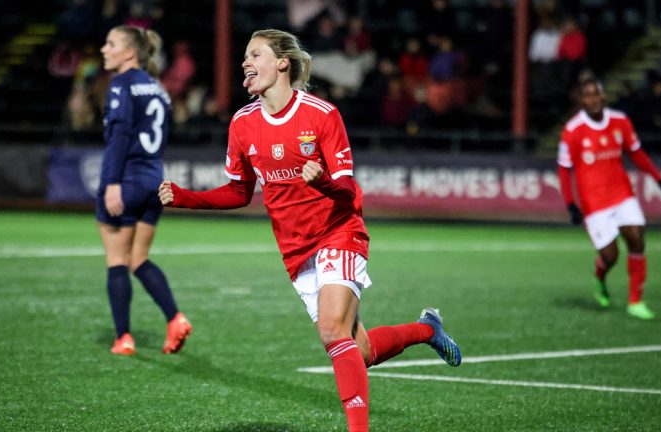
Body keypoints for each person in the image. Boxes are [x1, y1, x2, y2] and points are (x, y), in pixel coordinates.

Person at [158, 29, 460, 431]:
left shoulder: (321, 114)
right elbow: (238, 192)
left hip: (340, 230)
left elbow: (348, 189)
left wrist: (322, 183)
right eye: (244, 57)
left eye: (255, 55)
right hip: (296, 251)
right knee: (360, 351)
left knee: (332, 329)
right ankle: (427, 329)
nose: (245, 63)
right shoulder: (243, 123)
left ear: (282, 62)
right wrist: (184, 197)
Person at [98, 25, 191, 355]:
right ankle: (175, 317)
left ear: (129, 52)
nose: (103, 49)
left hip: (127, 180)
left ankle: (123, 338)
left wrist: (111, 184)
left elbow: (120, 136)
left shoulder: (121, 84)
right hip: (154, 180)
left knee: (117, 260)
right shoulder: (157, 89)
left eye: (110, 44)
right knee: (139, 259)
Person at [557, 78, 661, 320]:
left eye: (596, 94)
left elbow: (637, 153)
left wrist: (659, 180)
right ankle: (600, 276)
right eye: (587, 95)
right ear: (581, 100)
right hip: (594, 202)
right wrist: (571, 203)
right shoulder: (572, 130)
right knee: (610, 255)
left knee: (636, 237)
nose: (593, 99)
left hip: (622, 194)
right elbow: (563, 169)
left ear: (603, 96)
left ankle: (635, 301)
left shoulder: (620, 121)